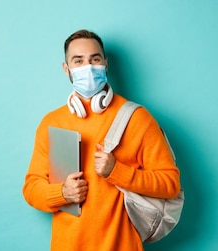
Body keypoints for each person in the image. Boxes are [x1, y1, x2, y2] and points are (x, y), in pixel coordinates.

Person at [22, 29, 181, 251]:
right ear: (66, 69)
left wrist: (117, 171)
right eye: (78, 61)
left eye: (94, 59)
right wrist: (62, 193)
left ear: (105, 63)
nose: (87, 67)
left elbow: (170, 185)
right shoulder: (51, 122)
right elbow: (31, 188)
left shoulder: (137, 118)